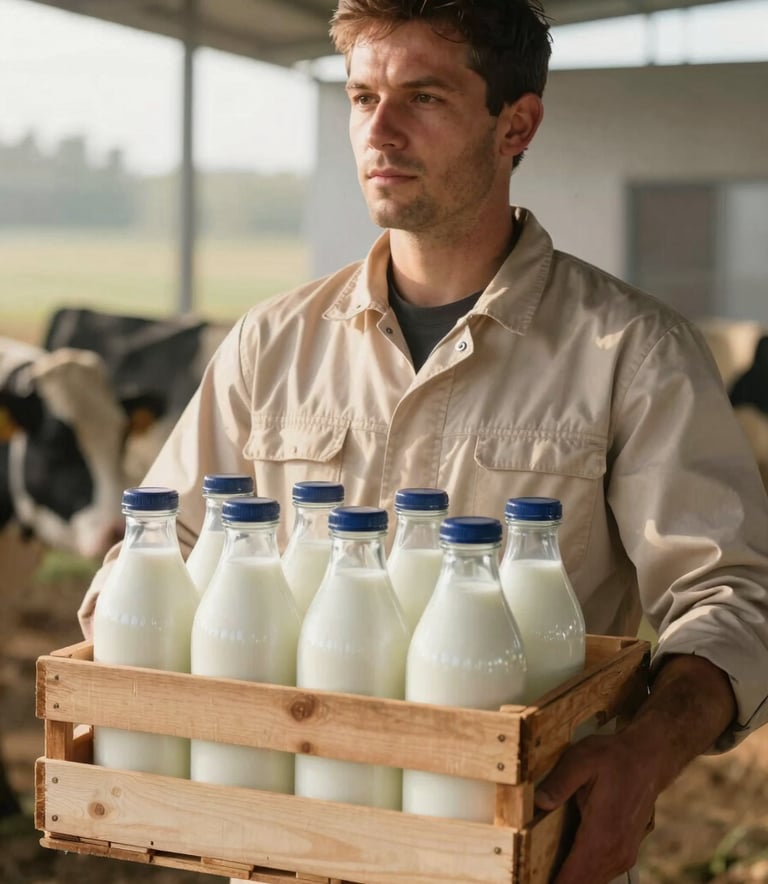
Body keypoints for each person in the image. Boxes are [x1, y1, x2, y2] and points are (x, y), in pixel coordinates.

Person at [78, 1, 768, 882]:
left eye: (425, 98)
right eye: (363, 97)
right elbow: (160, 550)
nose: (382, 130)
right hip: (290, 849)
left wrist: (645, 753)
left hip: (518, 846)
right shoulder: (272, 345)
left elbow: (730, 596)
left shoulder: (630, 353)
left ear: (515, 124)